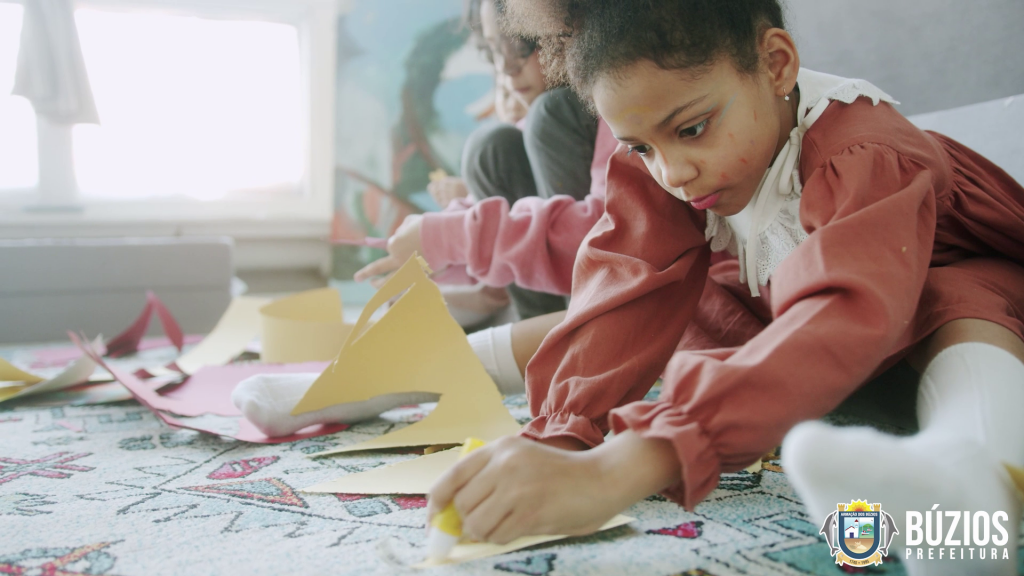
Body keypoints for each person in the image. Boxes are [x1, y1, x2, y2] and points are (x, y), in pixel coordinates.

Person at [425, 2, 1024, 574]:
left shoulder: (862, 149)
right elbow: (624, 292)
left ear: (776, 64)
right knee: (692, 310)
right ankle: (422, 367)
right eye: (640, 148)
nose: (672, 171)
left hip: (945, 304)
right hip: (820, 324)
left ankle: (973, 487)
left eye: (693, 128)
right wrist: (561, 436)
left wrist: (623, 467)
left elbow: (846, 305)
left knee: (958, 297)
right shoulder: (670, 160)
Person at [355, 0, 614, 322]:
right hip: (549, 298)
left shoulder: (592, 109)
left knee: (544, 116)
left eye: (520, 45)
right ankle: (541, 328)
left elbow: (610, 232)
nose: (506, 68)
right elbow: (486, 245)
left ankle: (570, 326)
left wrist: (448, 237)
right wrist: (431, 245)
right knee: (491, 147)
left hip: (609, 288)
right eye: (494, 50)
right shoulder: (522, 132)